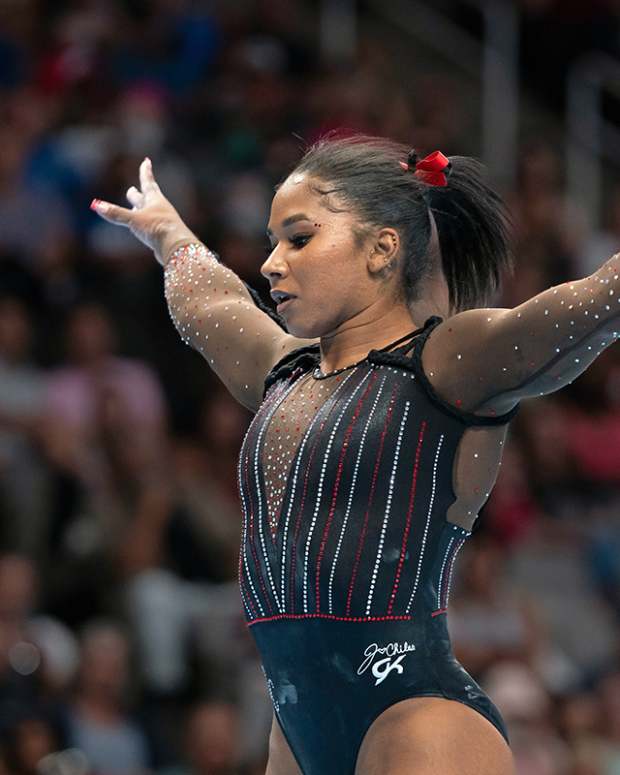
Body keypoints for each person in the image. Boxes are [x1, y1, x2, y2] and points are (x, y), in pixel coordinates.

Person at [91, 134, 619, 775]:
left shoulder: (448, 361)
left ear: (381, 248)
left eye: (299, 237)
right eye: (272, 241)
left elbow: (592, 305)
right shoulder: (284, 371)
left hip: (419, 720)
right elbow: (212, 303)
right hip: (296, 733)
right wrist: (169, 236)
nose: (271, 263)